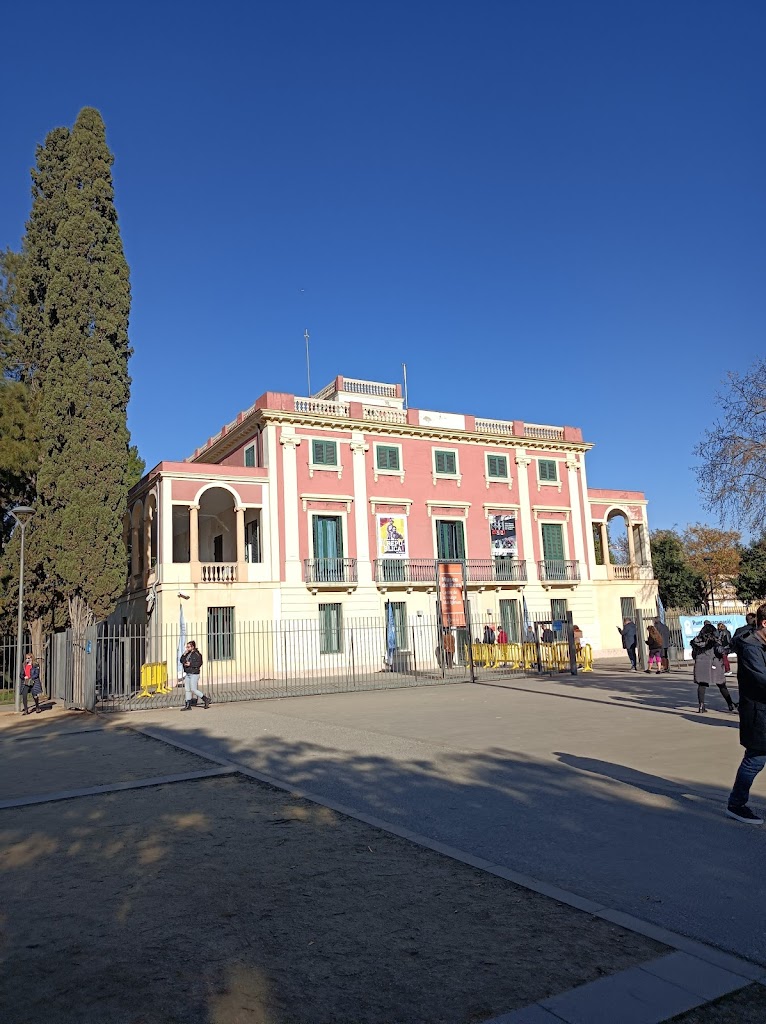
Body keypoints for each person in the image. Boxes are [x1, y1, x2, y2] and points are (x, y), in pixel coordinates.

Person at [726, 603, 766, 824]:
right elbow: (762, 680)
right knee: (755, 759)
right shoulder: (751, 648)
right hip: (759, 713)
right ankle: (736, 804)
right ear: (764, 623)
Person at [691, 621, 736, 713]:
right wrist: (731, 649)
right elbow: (721, 651)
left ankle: (701, 706)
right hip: (714, 664)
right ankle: (730, 704)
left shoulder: (696, 642)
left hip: (700, 665)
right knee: (721, 684)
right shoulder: (714, 642)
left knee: (702, 685)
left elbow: (693, 655)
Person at [179, 641, 211, 710]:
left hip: (194, 673)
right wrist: (184, 655)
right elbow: (181, 660)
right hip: (188, 673)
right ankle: (188, 705)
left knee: (193, 689)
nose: (187, 648)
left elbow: (199, 663)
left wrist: (190, 664)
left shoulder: (197, 654)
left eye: (188, 647)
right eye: (186, 647)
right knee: (187, 689)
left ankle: (205, 699)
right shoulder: (187, 654)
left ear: (192, 647)